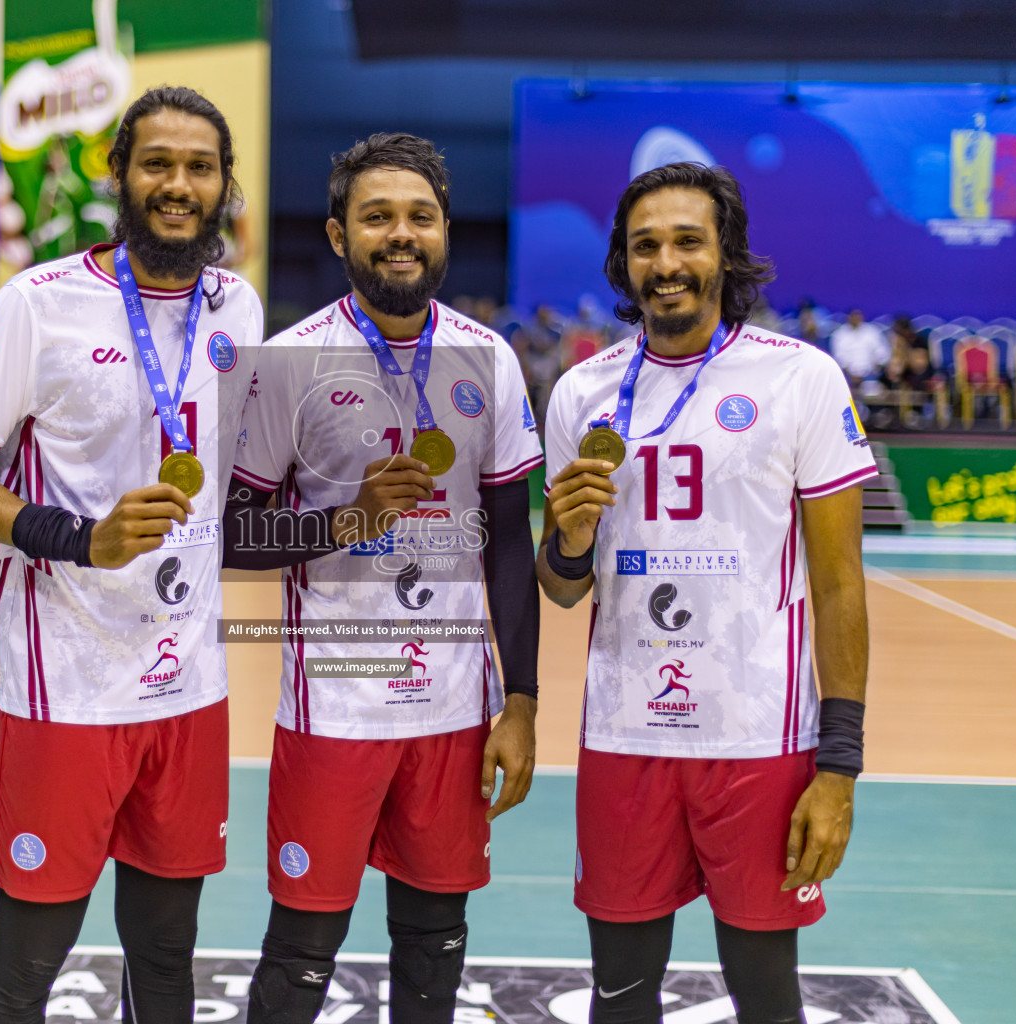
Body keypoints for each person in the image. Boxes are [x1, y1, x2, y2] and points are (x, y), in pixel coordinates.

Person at [0, 86, 263, 1024]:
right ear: (120, 172)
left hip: (188, 690)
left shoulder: (239, 306)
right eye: (157, 163)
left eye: (199, 167)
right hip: (64, 690)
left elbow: (248, 488)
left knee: (166, 957)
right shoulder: (39, 302)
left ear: (225, 185)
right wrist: (79, 539)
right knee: (29, 963)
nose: (178, 185)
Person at [535, 162, 874, 1024]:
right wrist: (569, 539)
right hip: (625, 736)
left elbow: (838, 586)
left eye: (689, 240)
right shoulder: (581, 392)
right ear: (623, 263)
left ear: (726, 254)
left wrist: (838, 769)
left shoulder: (800, 379)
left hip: (760, 742)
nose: (668, 262)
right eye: (646, 245)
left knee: (766, 997)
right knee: (620, 996)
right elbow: (563, 587)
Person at [225, 132, 543, 1024]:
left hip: (453, 712)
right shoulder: (287, 363)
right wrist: (346, 521)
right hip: (334, 710)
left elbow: (509, 547)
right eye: (377, 218)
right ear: (338, 237)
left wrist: (520, 703)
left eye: (420, 217)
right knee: (300, 955)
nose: (400, 234)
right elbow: (234, 536)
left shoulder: (491, 358)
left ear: (446, 231)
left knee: (435, 949)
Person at [830, 308, 890, 388]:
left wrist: (876, 367)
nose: (856, 319)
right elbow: (838, 357)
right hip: (848, 376)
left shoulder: (872, 332)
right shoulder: (839, 334)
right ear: (849, 318)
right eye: (854, 317)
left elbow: (882, 353)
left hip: (870, 375)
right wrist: (851, 373)